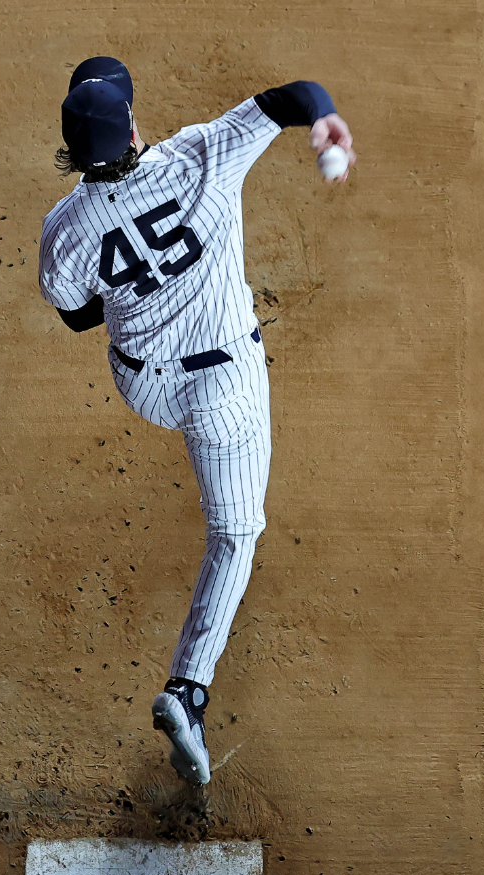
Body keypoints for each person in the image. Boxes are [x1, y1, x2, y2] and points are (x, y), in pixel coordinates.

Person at [38, 56, 355, 785]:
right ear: (133, 128)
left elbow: (79, 316)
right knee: (235, 531)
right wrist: (327, 115)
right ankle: (188, 688)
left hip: (142, 386)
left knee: (147, 346)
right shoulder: (199, 156)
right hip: (220, 393)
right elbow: (290, 97)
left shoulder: (63, 229)